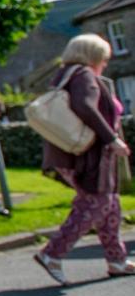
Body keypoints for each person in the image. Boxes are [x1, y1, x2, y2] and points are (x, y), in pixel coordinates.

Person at [34, 33, 134, 283]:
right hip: (88, 156)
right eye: (104, 57)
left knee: (109, 204)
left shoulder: (67, 75)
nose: (106, 63)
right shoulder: (83, 76)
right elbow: (85, 106)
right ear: (92, 55)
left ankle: (117, 259)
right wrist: (111, 138)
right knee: (96, 202)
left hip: (76, 153)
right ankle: (52, 253)